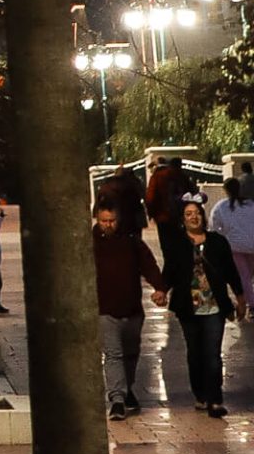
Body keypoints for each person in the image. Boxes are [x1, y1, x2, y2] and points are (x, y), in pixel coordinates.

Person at [163, 196, 247, 417]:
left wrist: (240, 298)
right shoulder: (177, 243)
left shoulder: (218, 242)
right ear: (183, 219)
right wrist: (161, 290)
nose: (194, 217)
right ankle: (200, 394)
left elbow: (231, 271)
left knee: (212, 354)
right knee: (195, 353)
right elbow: (170, 271)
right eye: (189, 214)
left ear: (203, 215)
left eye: (197, 213)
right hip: (187, 308)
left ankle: (215, 399)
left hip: (214, 307)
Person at [92, 200, 167, 417]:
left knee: (131, 354)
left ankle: (127, 390)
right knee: (113, 354)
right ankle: (117, 398)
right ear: (97, 219)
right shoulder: (89, 244)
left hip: (132, 308)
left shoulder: (132, 242)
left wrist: (160, 287)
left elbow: (148, 264)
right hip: (105, 309)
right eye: (104, 220)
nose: (108, 225)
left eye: (112, 220)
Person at [209, 169, 254, 308]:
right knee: (249, 275)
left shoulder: (221, 207)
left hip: (234, 246)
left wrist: (225, 236)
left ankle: (251, 303)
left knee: (243, 276)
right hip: (252, 245)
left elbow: (214, 227)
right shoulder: (251, 205)